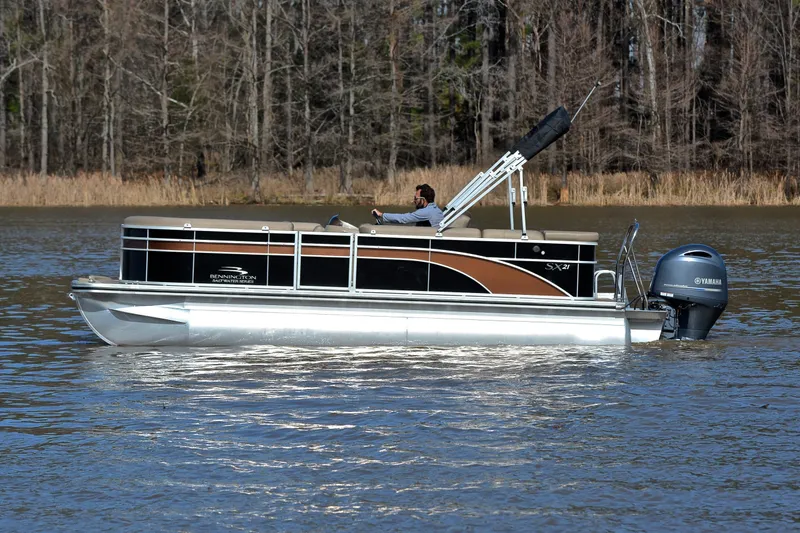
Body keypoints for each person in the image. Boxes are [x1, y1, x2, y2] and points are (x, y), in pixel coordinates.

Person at [371, 184, 444, 227]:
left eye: (415, 198)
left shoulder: (425, 212)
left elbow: (403, 218)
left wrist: (381, 214)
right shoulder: (437, 210)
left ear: (423, 200)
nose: (414, 201)